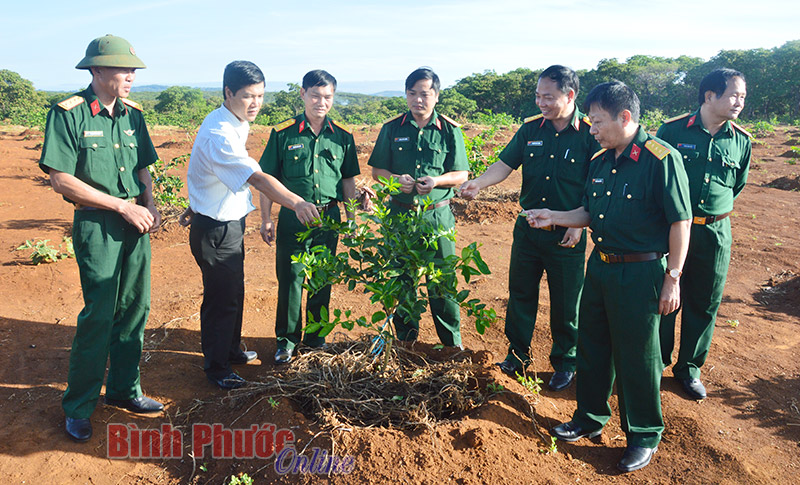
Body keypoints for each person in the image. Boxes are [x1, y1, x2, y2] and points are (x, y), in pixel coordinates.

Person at [528, 81, 692, 472]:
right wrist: (554, 217)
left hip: (642, 271)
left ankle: (644, 434)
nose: (592, 128)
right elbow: (589, 213)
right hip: (600, 266)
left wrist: (673, 278)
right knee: (593, 346)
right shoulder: (601, 161)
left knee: (638, 356)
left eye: (598, 121)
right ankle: (589, 417)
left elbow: (680, 221)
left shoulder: (661, 159)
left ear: (625, 117)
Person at [39, 35, 165, 442]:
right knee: (99, 314)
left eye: (132, 71)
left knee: (135, 309)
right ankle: (78, 405)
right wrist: (121, 206)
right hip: (97, 225)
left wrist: (148, 200)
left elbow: (144, 164)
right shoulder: (68, 113)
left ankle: (126, 391)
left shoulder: (133, 114)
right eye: (122, 69)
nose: (130, 76)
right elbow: (61, 179)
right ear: (96, 71)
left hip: (135, 223)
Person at [459, 65, 598, 391]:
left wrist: (578, 223)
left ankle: (565, 362)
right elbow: (505, 165)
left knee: (566, 304)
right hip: (528, 230)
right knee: (521, 295)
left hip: (567, 234)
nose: (541, 103)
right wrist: (478, 183)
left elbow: (596, 185)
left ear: (570, 95)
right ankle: (517, 355)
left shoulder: (590, 133)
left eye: (548, 97)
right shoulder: (530, 130)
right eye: (538, 96)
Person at [182, 61, 319, 389]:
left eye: (260, 95)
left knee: (234, 292)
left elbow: (207, 171)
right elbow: (257, 177)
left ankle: (230, 350)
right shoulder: (220, 133)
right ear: (228, 93)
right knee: (221, 298)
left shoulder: (233, 120)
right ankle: (217, 368)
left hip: (226, 222)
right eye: (248, 96)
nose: (256, 103)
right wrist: (297, 202)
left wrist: (195, 200)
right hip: (216, 228)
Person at [658, 69, 751, 400]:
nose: (739, 102)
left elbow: (735, 186)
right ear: (709, 96)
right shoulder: (670, 131)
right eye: (733, 95)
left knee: (704, 302)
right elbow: (656, 178)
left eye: (742, 96)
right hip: (672, 228)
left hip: (714, 233)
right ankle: (656, 363)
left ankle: (689, 369)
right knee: (664, 298)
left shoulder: (741, 140)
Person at [258, 69, 360, 364]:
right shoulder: (283, 133)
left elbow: (348, 182)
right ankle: (286, 341)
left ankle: (316, 340)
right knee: (290, 279)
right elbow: (267, 180)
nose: (321, 102)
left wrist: (351, 220)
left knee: (321, 280)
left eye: (327, 96)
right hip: (293, 217)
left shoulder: (343, 137)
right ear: (302, 94)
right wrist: (267, 219)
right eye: (315, 95)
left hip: (329, 218)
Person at [367, 67, 469, 348]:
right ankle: (406, 343)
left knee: (443, 284)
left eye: (424, 94)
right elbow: (378, 171)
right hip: (400, 215)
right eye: (412, 94)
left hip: (438, 217)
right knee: (403, 280)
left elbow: (461, 174)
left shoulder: (450, 130)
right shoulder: (392, 128)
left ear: (436, 96)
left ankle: (451, 346)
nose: (418, 100)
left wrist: (436, 181)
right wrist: (396, 180)